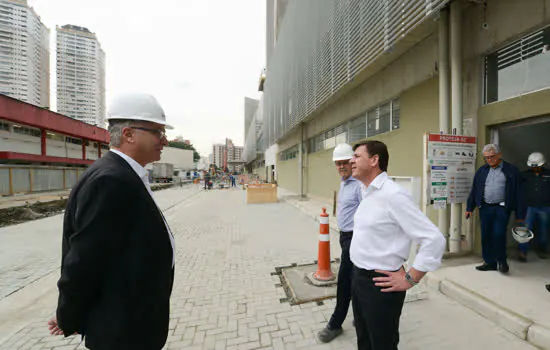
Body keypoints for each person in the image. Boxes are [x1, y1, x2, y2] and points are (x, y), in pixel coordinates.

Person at [47, 93, 175, 350]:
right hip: (123, 333)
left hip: (131, 323)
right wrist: (68, 315)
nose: (165, 140)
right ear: (128, 134)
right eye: (158, 132)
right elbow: (84, 260)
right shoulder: (111, 181)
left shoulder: (123, 174)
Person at [349, 140, 445, 350]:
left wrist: (411, 278)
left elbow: (434, 239)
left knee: (382, 343)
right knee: (364, 339)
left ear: (374, 160)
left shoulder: (393, 195)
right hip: (359, 279)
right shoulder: (367, 191)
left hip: (381, 284)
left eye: (357, 156)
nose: (351, 160)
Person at [317, 144, 363, 343]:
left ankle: (335, 324)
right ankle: (361, 317)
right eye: (338, 163)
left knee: (344, 281)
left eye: (345, 163)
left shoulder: (359, 185)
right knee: (356, 279)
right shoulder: (344, 182)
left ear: (353, 162)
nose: (341, 166)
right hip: (345, 236)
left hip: (356, 238)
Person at [466, 144, 525, 273]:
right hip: (485, 207)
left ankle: (502, 262)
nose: (490, 160)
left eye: (492, 157)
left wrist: (520, 215)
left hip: (502, 208)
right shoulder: (482, 171)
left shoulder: (511, 170)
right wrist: (470, 207)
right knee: (486, 235)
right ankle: (490, 262)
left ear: (499, 155)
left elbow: (519, 193)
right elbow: (475, 189)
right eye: (486, 158)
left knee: (499, 234)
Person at [518, 152, 550, 262]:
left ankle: (542, 249)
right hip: (529, 207)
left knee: (544, 231)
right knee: (525, 230)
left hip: (545, 207)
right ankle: (522, 252)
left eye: (537, 166)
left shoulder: (548, 174)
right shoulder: (524, 175)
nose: (535, 168)